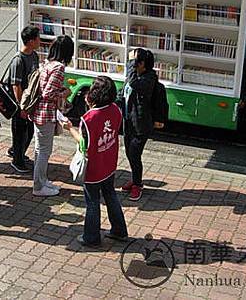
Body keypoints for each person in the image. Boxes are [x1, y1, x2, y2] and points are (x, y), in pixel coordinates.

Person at [63, 76, 128, 247]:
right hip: (109, 162)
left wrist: (69, 128)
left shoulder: (88, 118)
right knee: (110, 194)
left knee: (92, 201)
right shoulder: (116, 109)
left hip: (94, 167)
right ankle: (119, 230)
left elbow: (84, 145)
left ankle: (91, 237)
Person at [30, 35, 73, 196]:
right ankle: (39, 186)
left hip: (38, 112)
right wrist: (64, 92)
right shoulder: (59, 67)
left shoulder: (47, 64)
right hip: (46, 113)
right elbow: (48, 93)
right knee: (44, 151)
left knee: (39, 149)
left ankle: (41, 180)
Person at [117, 48, 160, 202]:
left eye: (136, 61)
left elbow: (134, 84)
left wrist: (130, 65)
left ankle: (138, 185)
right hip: (128, 122)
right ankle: (135, 179)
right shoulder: (134, 76)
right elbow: (123, 91)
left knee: (135, 154)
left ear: (142, 64)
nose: (133, 64)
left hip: (141, 125)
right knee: (129, 153)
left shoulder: (149, 78)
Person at [6, 26, 40, 173]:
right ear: (31, 41)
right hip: (20, 104)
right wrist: (21, 107)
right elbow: (16, 86)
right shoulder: (18, 60)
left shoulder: (34, 55)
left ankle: (17, 152)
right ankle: (17, 161)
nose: (40, 40)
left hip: (30, 102)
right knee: (19, 133)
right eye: (38, 38)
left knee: (29, 131)